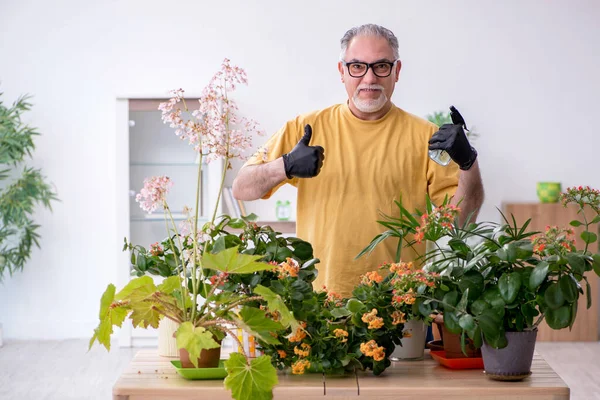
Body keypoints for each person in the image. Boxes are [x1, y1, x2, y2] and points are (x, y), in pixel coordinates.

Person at [232, 23, 484, 297]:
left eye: (381, 66)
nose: (369, 78)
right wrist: (286, 165)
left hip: (399, 303)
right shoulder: (305, 128)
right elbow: (243, 188)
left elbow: (463, 221)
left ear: (396, 71)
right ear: (342, 71)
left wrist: (468, 162)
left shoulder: (426, 137)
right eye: (357, 66)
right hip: (320, 301)